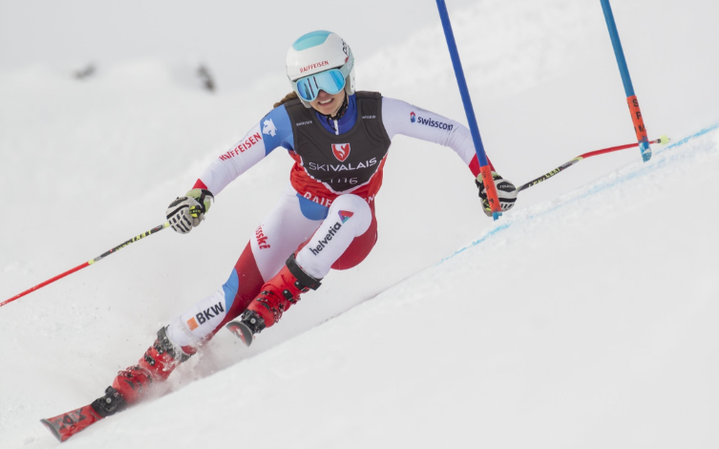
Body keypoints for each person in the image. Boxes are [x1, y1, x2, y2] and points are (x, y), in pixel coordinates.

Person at [90, 30, 517, 417]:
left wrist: (486, 176)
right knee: (230, 296)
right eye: (307, 87)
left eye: (329, 81)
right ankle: (148, 368)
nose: (320, 95)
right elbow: (233, 158)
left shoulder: (381, 113)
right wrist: (199, 194)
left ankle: (273, 304)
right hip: (300, 212)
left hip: (351, 234)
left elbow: (455, 133)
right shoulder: (288, 120)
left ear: (347, 74)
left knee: (353, 205)